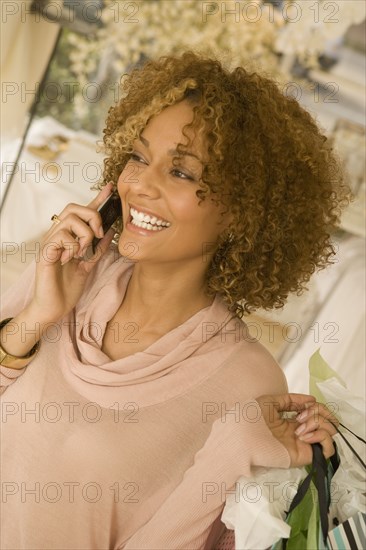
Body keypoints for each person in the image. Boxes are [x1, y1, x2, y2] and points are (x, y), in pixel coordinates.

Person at [0, 51, 348, 549]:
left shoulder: (246, 382)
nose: (140, 184)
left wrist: (233, 455)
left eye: (181, 173)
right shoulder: (72, 273)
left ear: (243, 212)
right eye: (139, 158)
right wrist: (36, 316)